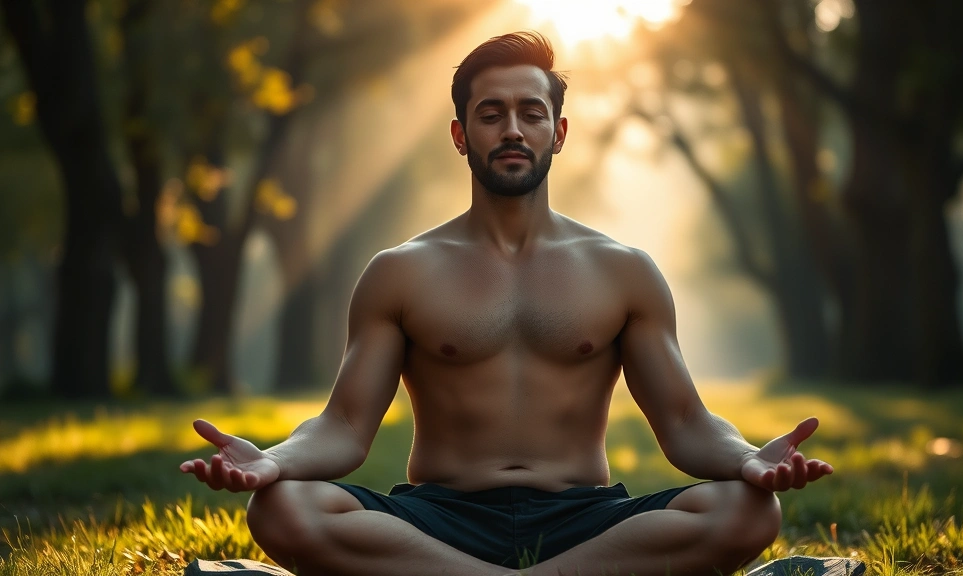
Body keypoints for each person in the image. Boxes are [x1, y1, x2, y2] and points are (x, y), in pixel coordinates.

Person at [180, 31, 833, 576]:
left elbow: (686, 421)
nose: (513, 129)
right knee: (281, 508)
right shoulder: (399, 272)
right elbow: (345, 426)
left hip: (585, 519)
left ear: (559, 131)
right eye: (491, 114)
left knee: (750, 510)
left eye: (531, 113)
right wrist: (273, 461)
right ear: (461, 134)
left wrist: (748, 459)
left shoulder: (624, 271)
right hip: (438, 519)